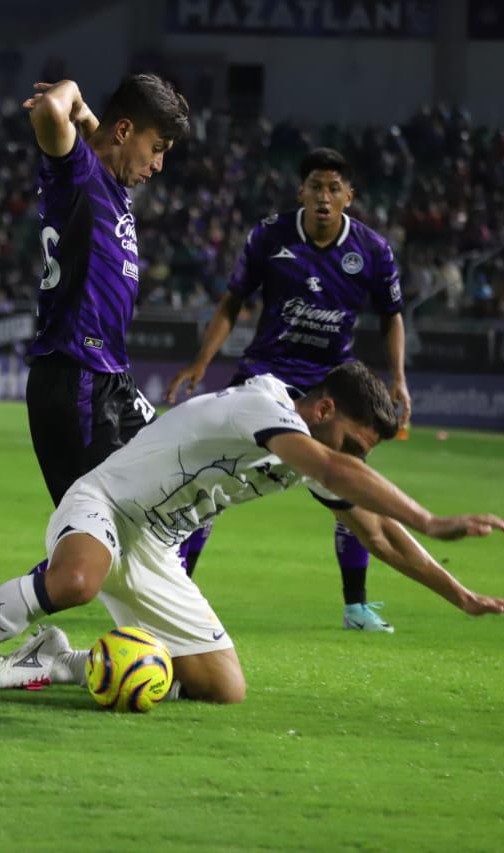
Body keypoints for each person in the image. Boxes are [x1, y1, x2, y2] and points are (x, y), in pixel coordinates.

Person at [0, 363, 504, 708]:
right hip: (106, 503)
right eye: (354, 443)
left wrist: (461, 595)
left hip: (156, 552)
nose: (355, 460)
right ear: (324, 409)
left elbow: (381, 536)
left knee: (223, 687)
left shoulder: (309, 453)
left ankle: (56, 663)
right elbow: (339, 469)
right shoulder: (264, 406)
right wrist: (431, 517)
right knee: (75, 580)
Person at [165, 147, 410, 633]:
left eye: (334, 188)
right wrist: (202, 361)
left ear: (349, 196)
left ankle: (356, 607)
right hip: (264, 379)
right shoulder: (270, 235)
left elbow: (392, 316)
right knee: (211, 481)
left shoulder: (373, 251)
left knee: (350, 485)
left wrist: (399, 377)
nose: (324, 196)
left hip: (330, 389)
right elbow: (232, 301)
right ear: (302, 191)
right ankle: (174, 590)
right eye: (316, 186)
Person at [22, 74, 189, 506]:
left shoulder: (109, 180)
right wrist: (74, 93)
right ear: (126, 131)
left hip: (111, 377)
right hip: (77, 375)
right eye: (157, 148)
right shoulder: (78, 173)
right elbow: (50, 110)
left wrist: (91, 119)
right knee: (101, 524)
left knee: (187, 488)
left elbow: (111, 139)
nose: (158, 165)